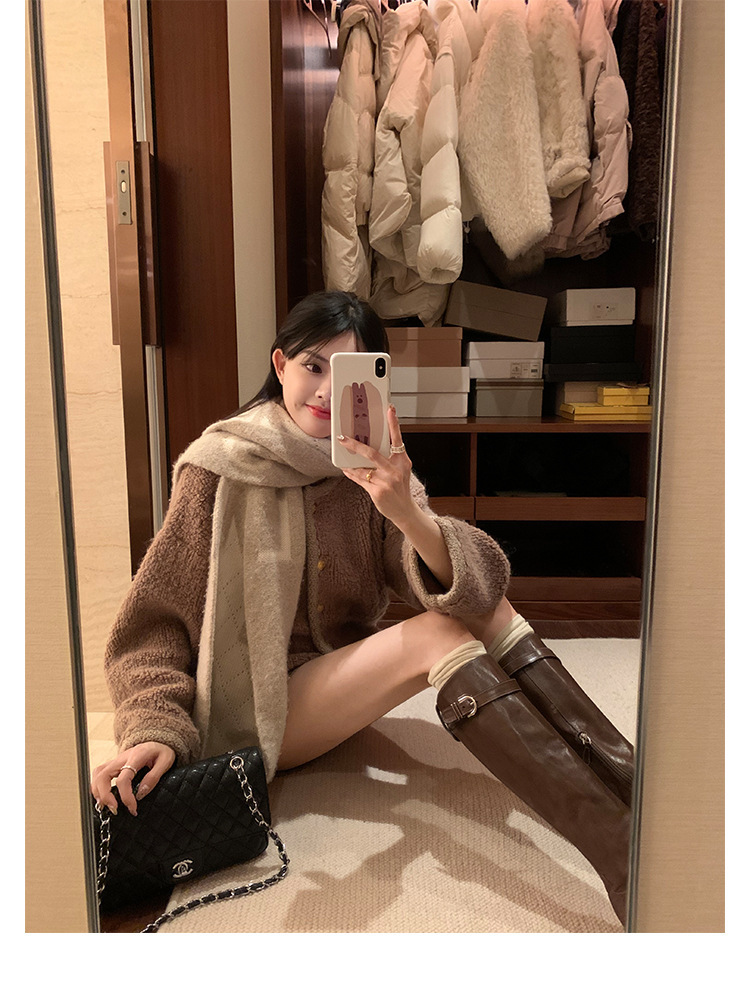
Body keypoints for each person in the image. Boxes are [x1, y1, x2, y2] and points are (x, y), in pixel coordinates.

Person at [91, 290, 634, 925]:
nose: (326, 391)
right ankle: (624, 854)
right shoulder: (219, 468)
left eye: (347, 373)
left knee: (480, 602)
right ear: (280, 365)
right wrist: (153, 729)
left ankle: (629, 781)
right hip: (254, 710)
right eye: (312, 366)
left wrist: (405, 510)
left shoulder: (368, 465)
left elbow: (480, 587)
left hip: (334, 686)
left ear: (373, 383)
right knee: (436, 635)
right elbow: (151, 629)